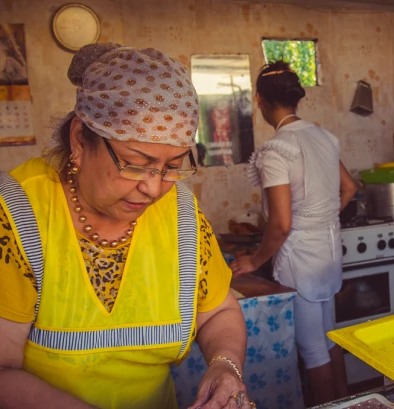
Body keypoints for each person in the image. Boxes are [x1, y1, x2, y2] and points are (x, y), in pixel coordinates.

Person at [0, 43, 252, 409]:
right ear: (79, 140)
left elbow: (218, 310)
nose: (153, 188)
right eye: (135, 163)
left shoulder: (180, 211)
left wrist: (225, 366)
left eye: (172, 166)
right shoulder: (18, 213)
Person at [230, 61, 357, 406]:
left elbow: (282, 224)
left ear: (259, 99)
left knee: (312, 348)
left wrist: (253, 261)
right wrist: (321, 218)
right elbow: (349, 188)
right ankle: (347, 403)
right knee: (329, 340)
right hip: (328, 252)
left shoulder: (277, 150)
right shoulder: (324, 137)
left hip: (300, 257)